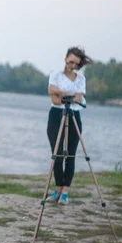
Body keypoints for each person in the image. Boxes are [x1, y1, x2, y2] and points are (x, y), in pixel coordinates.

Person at [45, 46, 92, 205]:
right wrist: (68, 95)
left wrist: (61, 94)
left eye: (75, 64)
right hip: (56, 115)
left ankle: (65, 192)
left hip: (74, 114)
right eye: (70, 61)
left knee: (71, 154)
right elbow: (54, 98)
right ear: (65, 58)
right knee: (56, 153)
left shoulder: (80, 79)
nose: (71, 65)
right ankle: (57, 189)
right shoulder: (55, 74)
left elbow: (78, 99)